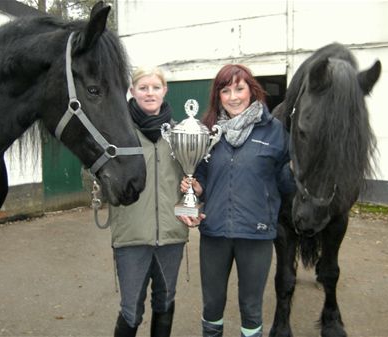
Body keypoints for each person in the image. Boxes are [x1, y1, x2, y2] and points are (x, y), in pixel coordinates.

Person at [179, 64, 295, 337]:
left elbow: (286, 184)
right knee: (212, 305)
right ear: (218, 96)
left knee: (251, 307)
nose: (233, 97)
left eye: (239, 89)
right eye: (226, 90)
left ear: (252, 91)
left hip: (256, 235)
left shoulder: (275, 131)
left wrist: (301, 172)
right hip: (215, 232)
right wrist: (194, 188)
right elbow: (203, 178)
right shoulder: (207, 132)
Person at [107, 66, 188, 337]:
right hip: (132, 238)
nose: (149, 93)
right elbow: (96, 174)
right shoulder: (118, 134)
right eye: (143, 87)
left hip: (171, 236)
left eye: (155, 87)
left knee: (165, 303)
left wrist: (194, 193)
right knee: (131, 310)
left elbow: (191, 182)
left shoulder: (181, 135)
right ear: (132, 91)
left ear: (165, 91)